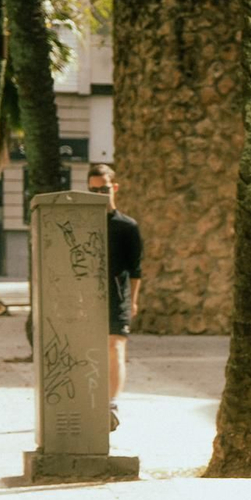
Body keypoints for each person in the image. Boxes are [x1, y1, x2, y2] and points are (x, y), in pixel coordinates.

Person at [87, 164, 141, 431]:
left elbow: (136, 269)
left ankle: (112, 403)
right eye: (93, 190)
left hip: (117, 295)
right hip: (87, 298)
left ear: (114, 188)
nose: (99, 193)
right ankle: (91, 401)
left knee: (114, 347)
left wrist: (132, 301)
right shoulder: (84, 225)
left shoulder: (127, 227)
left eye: (104, 188)